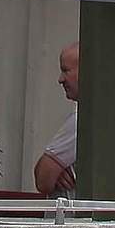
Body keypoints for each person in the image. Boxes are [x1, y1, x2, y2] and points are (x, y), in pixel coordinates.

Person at [33, 40, 80, 196]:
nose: (60, 79)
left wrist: (54, 171)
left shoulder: (82, 120)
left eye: (66, 70)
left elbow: (42, 180)